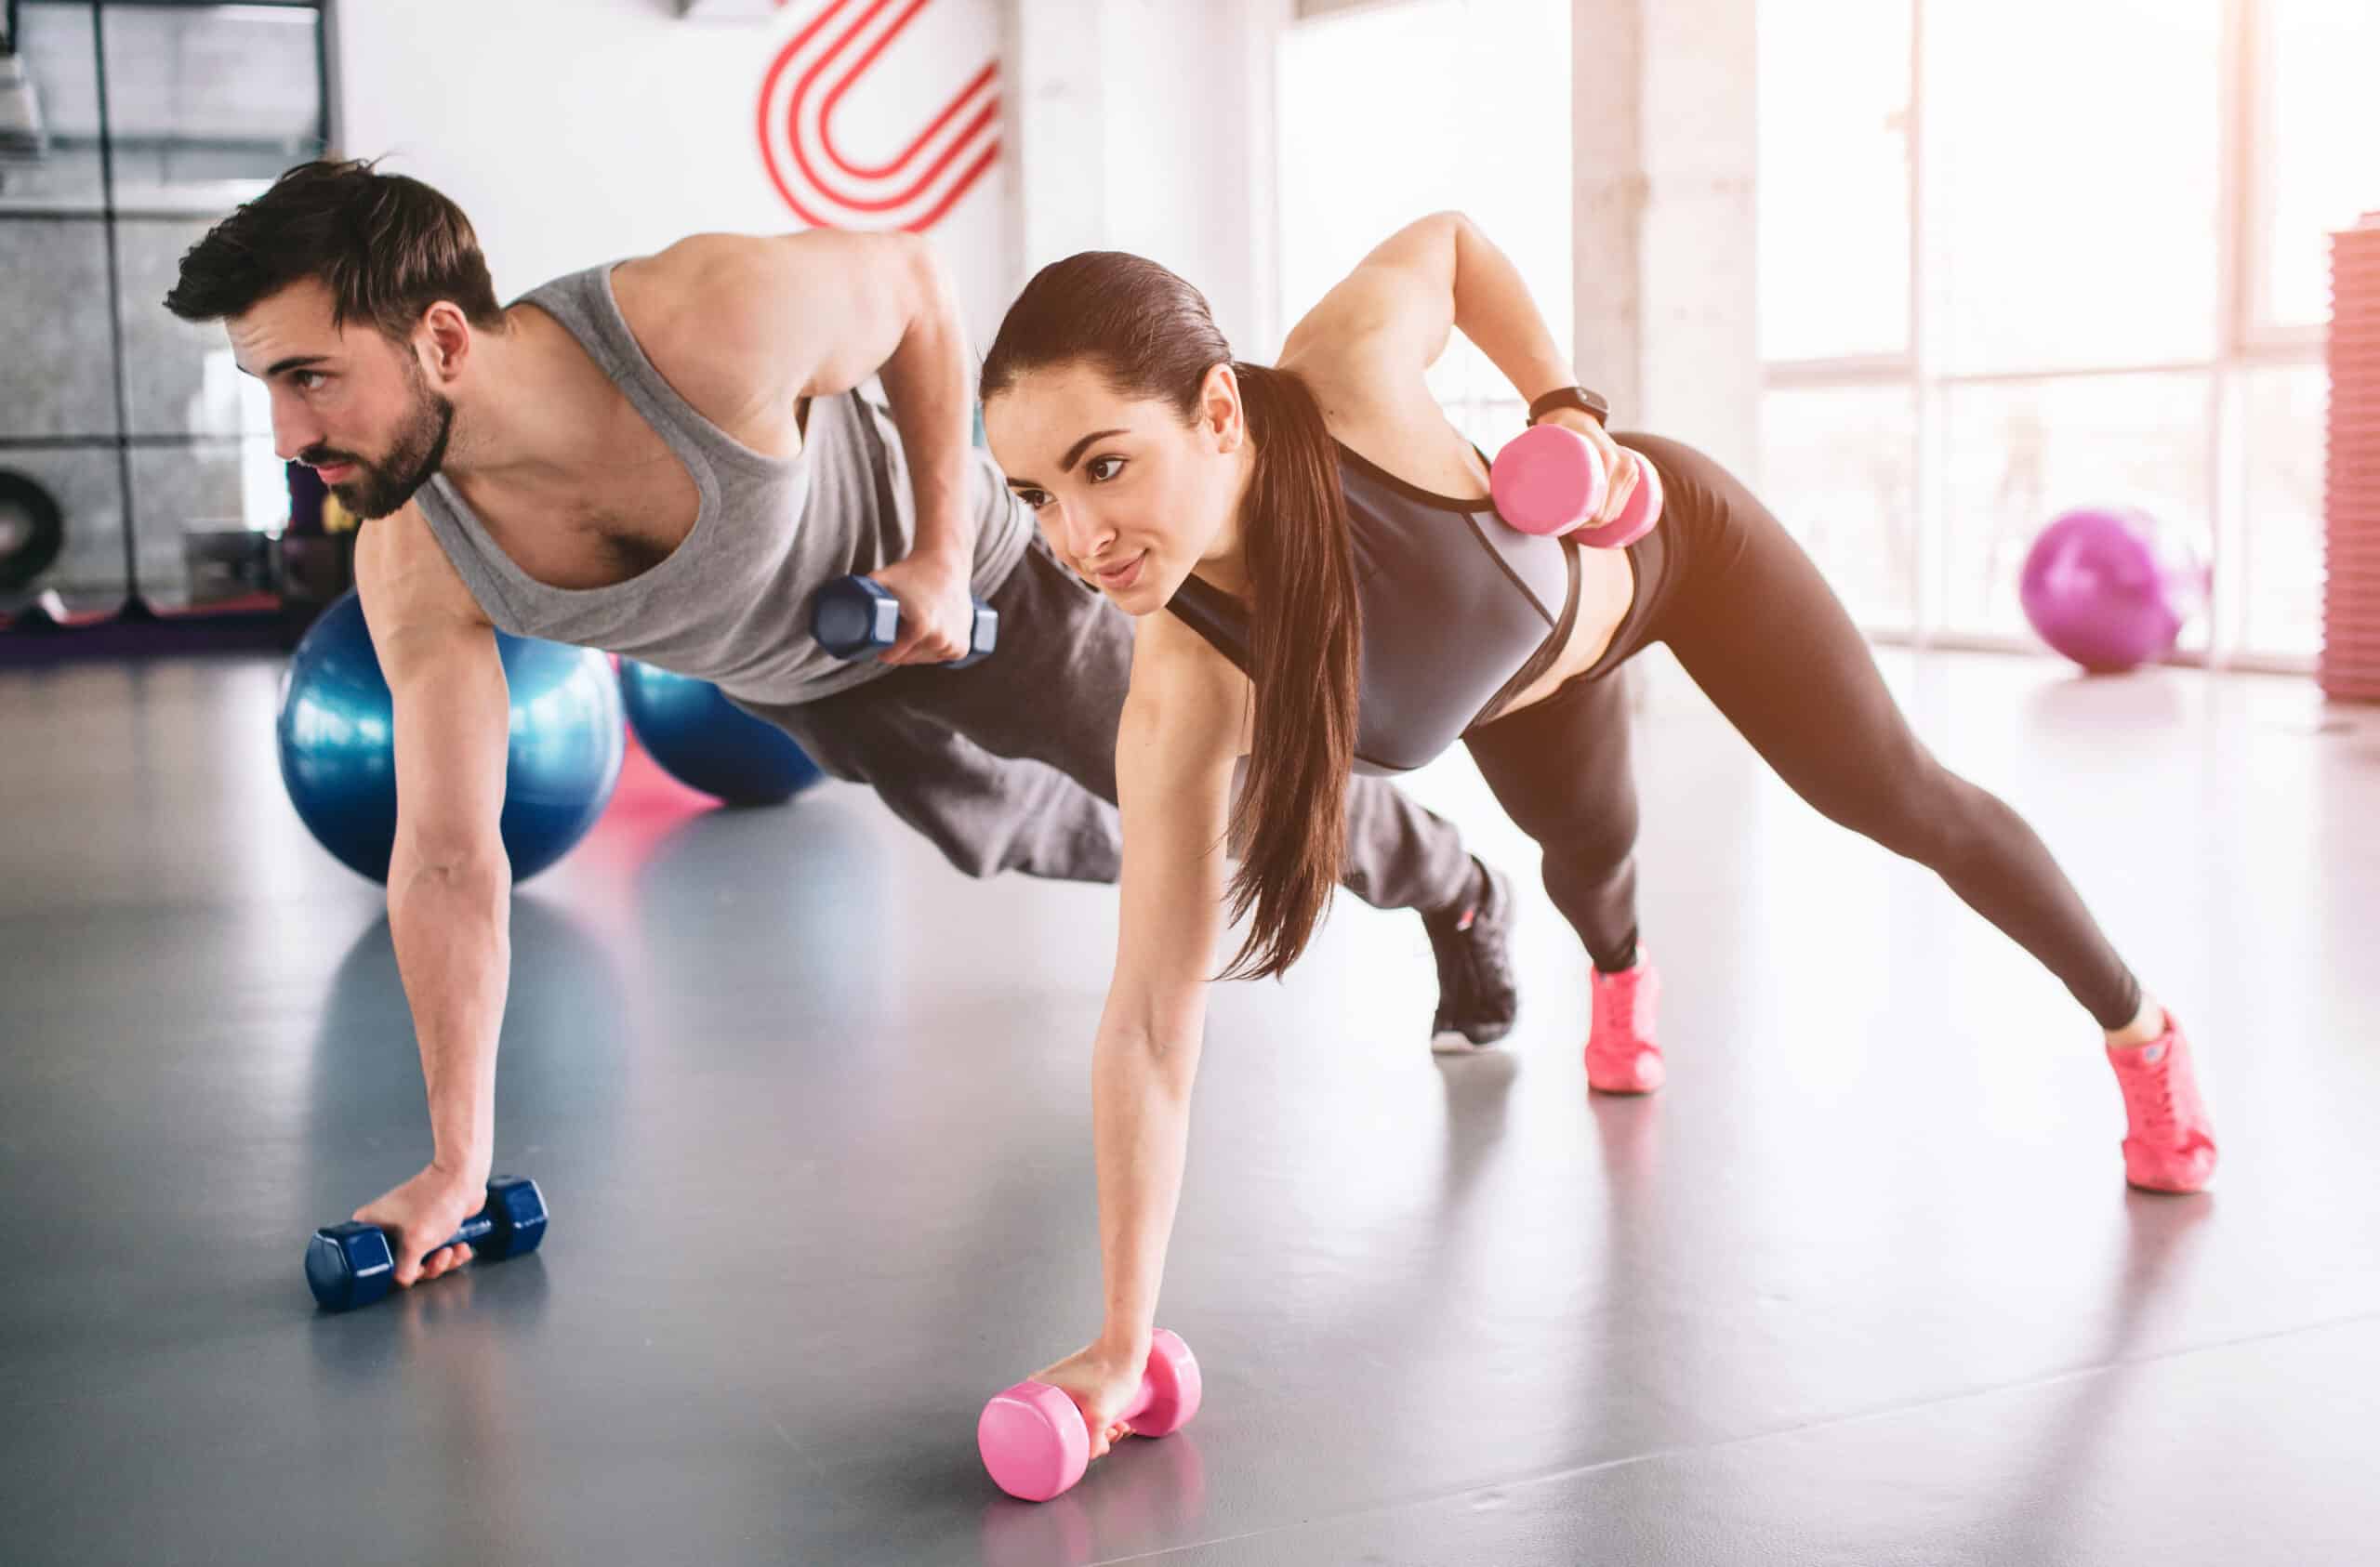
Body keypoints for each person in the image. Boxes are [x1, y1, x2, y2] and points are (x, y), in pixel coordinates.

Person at [975, 212, 2218, 1460]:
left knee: (1900, 795)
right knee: (1587, 861)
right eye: (1034, 495)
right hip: (1525, 687)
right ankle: (1622, 975)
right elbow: (1147, 1022)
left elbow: (1451, 247)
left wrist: (1563, 404)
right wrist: (1124, 1342)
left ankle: (2141, 1030)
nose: (1078, 540)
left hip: (1680, 552)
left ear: (1219, 412)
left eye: (1104, 465)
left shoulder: (1344, 372)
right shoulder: (1183, 684)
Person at [163, 162, 1517, 1291]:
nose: (289, 430)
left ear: (443, 338)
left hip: (981, 586)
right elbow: (450, 857)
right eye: (266, 389)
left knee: (1209, 790)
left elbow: (916, 293)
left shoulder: (700, 320)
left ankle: (1452, 885)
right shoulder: (418, 555)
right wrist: (458, 1159)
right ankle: (1264, 861)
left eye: (310, 378)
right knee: (1031, 842)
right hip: (812, 681)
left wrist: (936, 548)